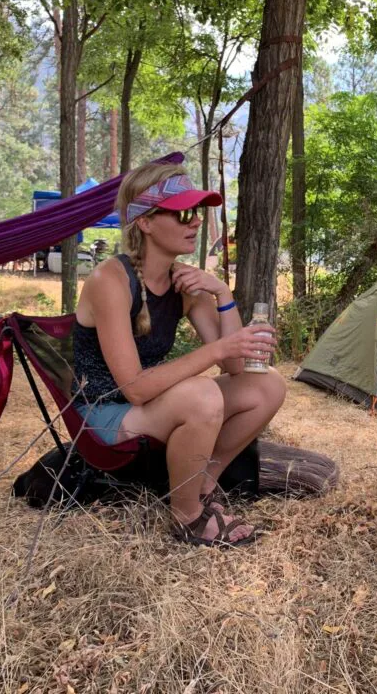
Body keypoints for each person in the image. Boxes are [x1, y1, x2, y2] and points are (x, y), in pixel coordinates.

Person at [72, 159, 287, 547]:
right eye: (184, 213)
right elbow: (135, 388)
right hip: (105, 410)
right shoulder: (110, 280)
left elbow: (237, 367)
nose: (196, 222)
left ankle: (203, 487)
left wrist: (221, 293)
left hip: (150, 404)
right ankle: (186, 516)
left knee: (267, 385)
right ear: (146, 222)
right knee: (201, 395)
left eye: (198, 213)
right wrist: (220, 348)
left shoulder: (184, 283)